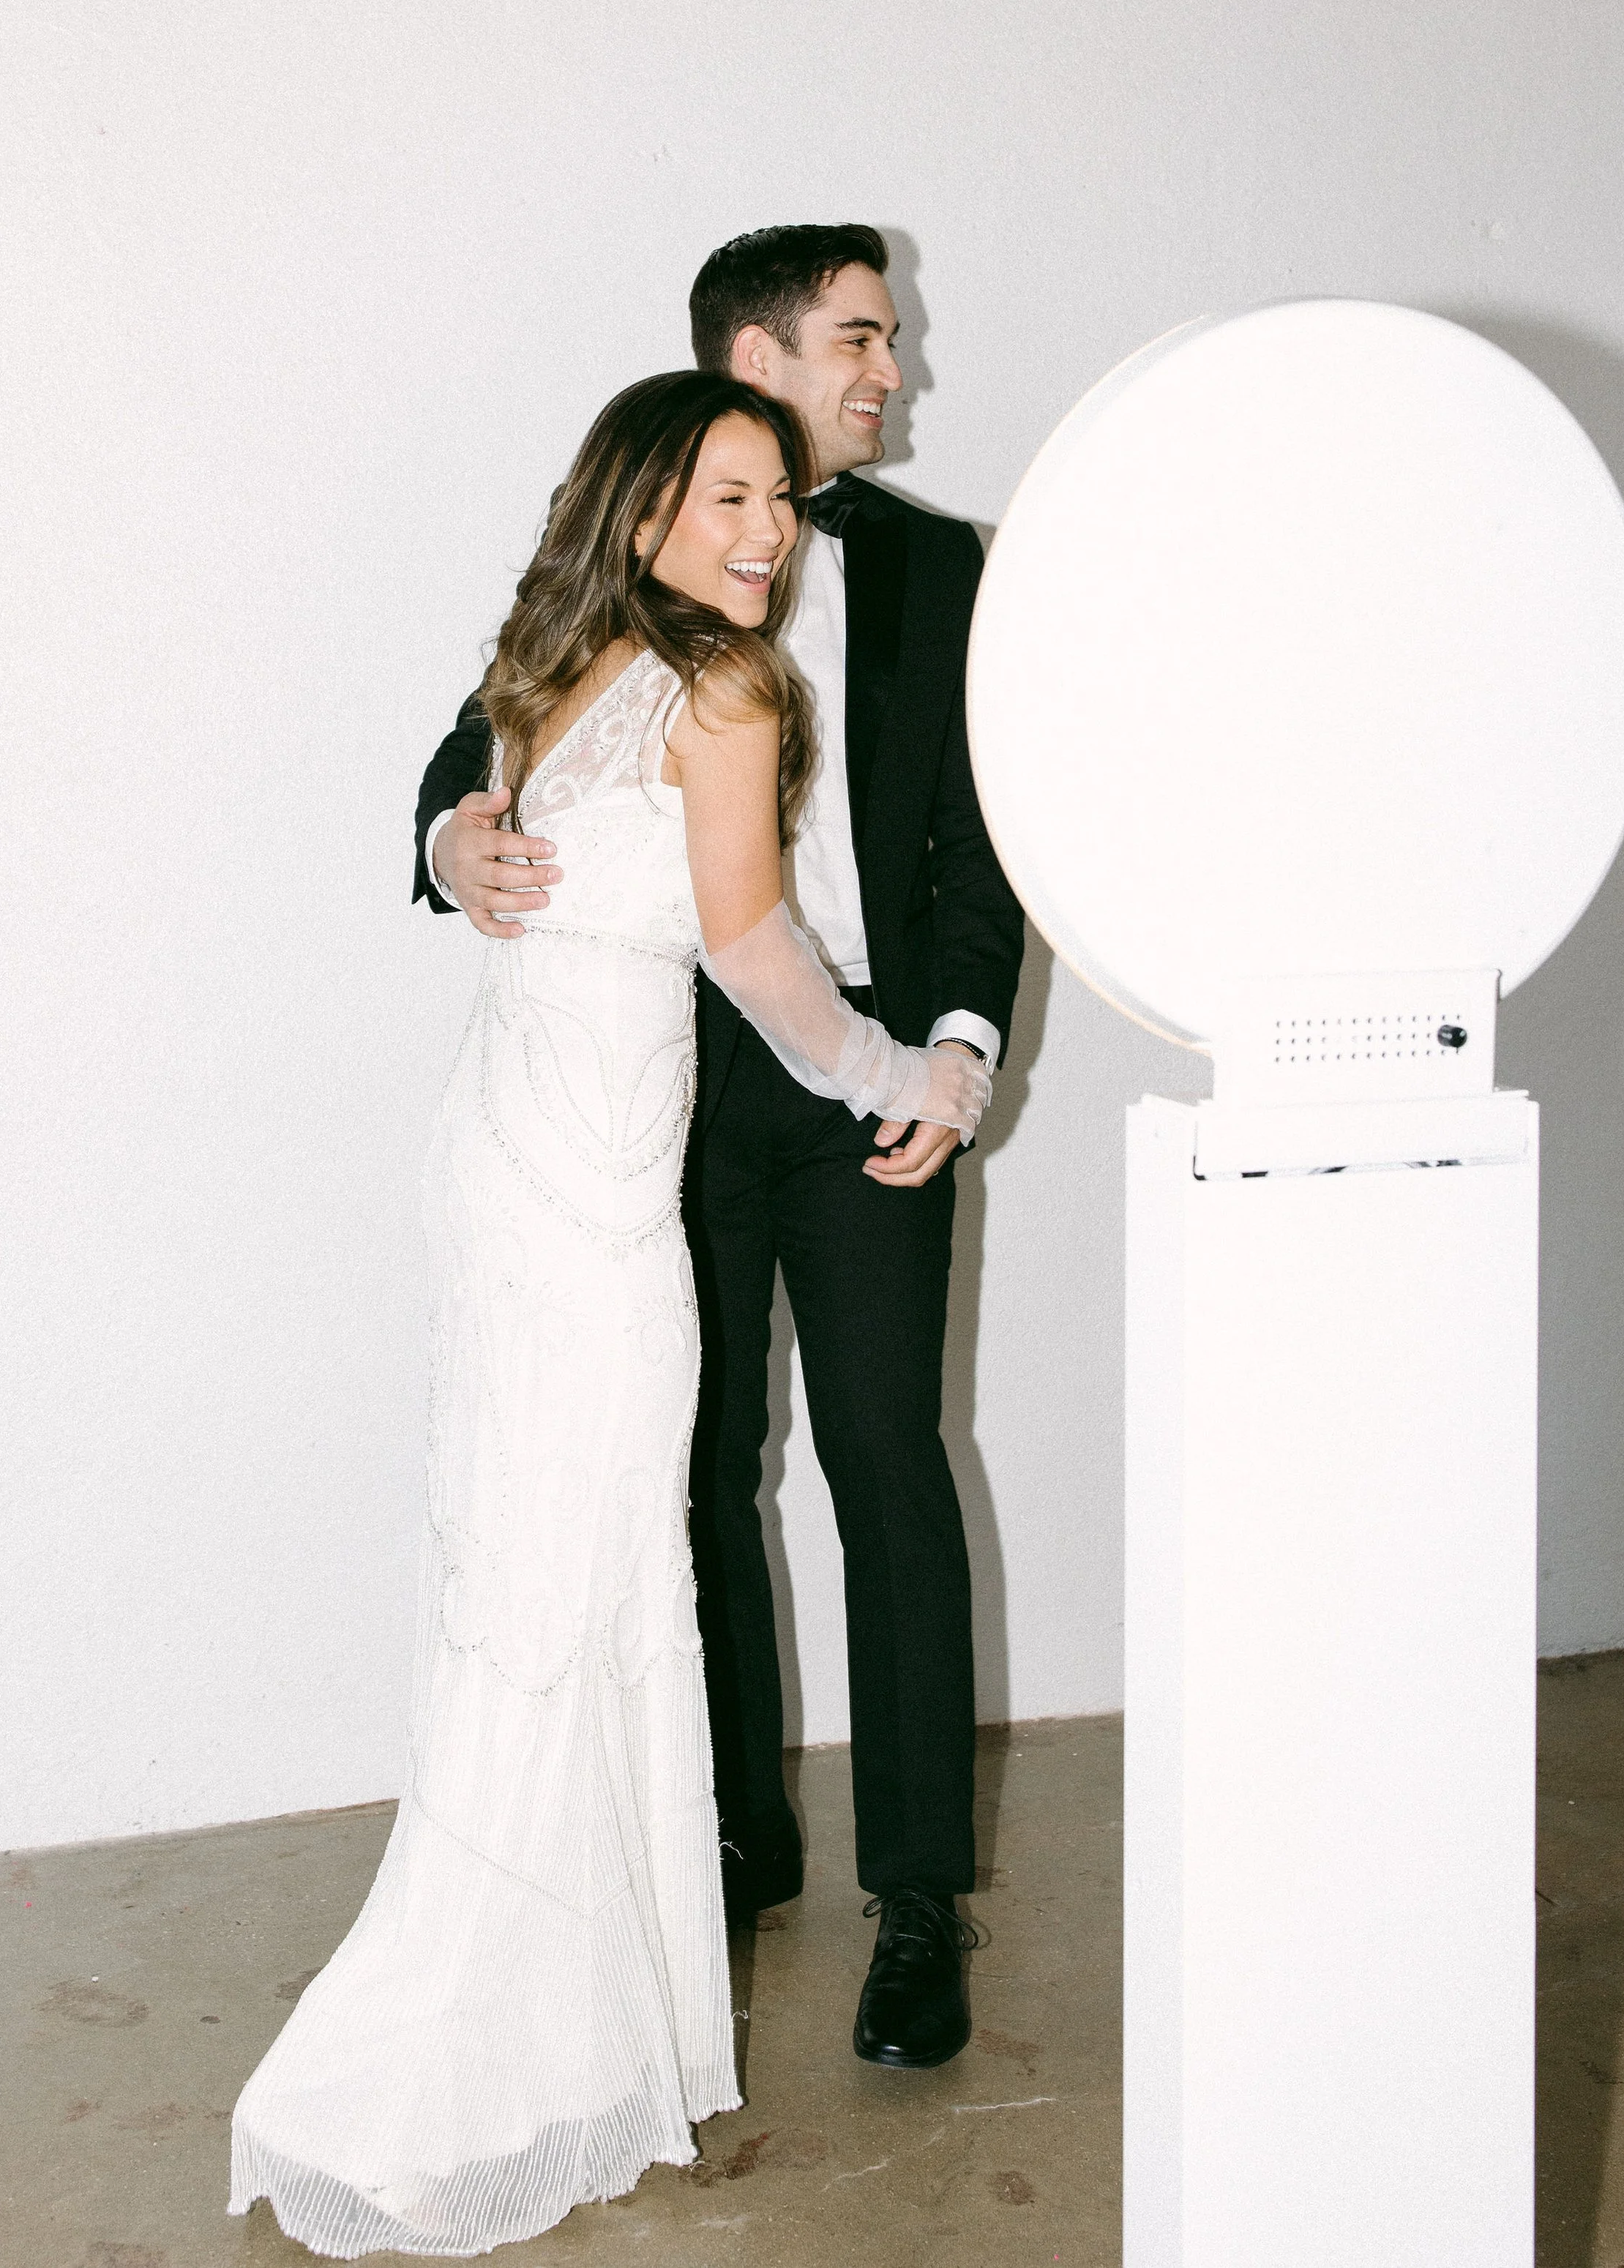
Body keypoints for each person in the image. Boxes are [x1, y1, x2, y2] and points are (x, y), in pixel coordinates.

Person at [229, 370, 989, 2256]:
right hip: (588, 1195)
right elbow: (756, 952)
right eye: (729, 497)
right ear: (643, 510)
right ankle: (538, 2032)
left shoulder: (552, 658)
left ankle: (551, 2000)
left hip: (510, 1158)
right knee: (595, 1575)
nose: (768, 531)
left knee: (535, 1570)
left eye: (777, 502)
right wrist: (906, 1072)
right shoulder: (726, 688)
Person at [416, 228, 1026, 2074]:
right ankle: (732, 1840)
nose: (891, 372)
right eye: (860, 338)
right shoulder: (634, 553)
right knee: (685, 1469)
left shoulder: (940, 567)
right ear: (755, 360)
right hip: (662, 1075)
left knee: (884, 1464)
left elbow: (982, 843)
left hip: (864, 1070)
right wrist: (450, 836)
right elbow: (490, 729)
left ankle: (915, 1900)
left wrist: (953, 1052)